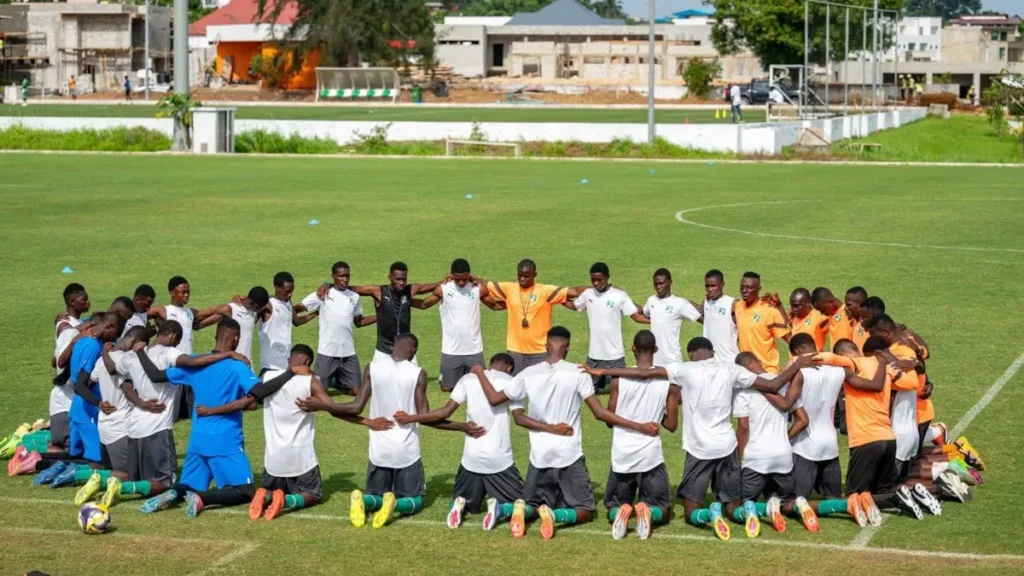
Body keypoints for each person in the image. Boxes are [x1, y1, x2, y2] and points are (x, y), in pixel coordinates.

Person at [583, 337, 813, 542]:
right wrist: (798, 365)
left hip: (699, 449)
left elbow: (645, 373)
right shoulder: (731, 371)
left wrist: (603, 371)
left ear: (691, 354)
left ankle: (709, 514)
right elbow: (773, 385)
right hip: (727, 447)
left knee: (691, 509)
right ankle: (748, 512)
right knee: (733, 506)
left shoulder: (685, 369)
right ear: (713, 352)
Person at [473, 326, 660, 540]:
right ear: (568, 347)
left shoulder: (528, 374)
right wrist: (639, 426)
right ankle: (553, 515)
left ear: (546, 346)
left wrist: (479, 373)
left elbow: (495, 399)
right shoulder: (577, 372)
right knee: (585, 510)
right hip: (569, 456)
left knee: (534, 504)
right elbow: (599, 413)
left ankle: (508, 510)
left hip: (539, 458)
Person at [297, 333, 479, 529]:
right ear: (414, 351)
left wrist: (323, 406)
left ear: (393, 346)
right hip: (406, 450)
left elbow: (355, 407)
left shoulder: (372, 368)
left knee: (374, 494)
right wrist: (461, 426)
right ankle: (394, 504)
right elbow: (427, 417)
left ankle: (365, 502)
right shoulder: (418, 373)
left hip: (379, 447)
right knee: (415, 500)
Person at [134, 318, 291, 517]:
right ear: (235, 339)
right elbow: (260, 391)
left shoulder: (197, 362)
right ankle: (203, 499)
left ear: (215, 336)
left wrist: (140, 351)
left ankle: (173, 493)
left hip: (198, 438)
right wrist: (290, 373)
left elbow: (156, 376)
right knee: (244, 490)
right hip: (225, 439)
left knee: (189, 484)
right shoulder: (237, 367)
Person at [194, 344, 359, 520]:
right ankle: (285, 502)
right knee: (313, 494)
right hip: (301, 460)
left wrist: (212, 411)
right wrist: (365, 421)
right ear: (308, 362)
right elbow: (334, 409)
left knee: (271, 489)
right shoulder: (310, 381)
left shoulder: (268, 377)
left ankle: (266, 496)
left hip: (273, 462)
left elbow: (246, 402)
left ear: (289, 360)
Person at [393, 354, 523, 530]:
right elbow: (519, 418)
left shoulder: (468, 379)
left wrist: (411, 418)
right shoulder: (512, 383)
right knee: (522, 504)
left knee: (465, 501)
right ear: (509, 368)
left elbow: (444, 413)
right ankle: (498, 508)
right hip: (499, 460)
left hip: (470, 460)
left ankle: (458, 504)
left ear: (491, 364)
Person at [815, 337, 930, 525]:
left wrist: (808, 357)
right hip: (888, 438)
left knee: (853, 495)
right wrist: (914, 364)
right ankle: (905, 494)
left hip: (865, 439)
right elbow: (912, 384)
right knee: (878, 493)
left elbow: (831, 358)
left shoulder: (854, 363)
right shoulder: (886, 368)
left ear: (844, 353)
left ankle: (898, 497)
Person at [602, 330, 678, 540]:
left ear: (633, 349)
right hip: (650, 457)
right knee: (662, 507)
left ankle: (621, 512)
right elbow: (672, 425)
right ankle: (647, 511)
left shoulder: (619, 378)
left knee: (613, 504)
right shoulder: (668, 380)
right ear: (655, 350)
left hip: (622, 455)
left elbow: (609, 418)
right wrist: (658, 416)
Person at [733, 352, 818, 533]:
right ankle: (798, 504)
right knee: (787, 499)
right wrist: (784, 439)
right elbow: (803, 420)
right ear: (760, 361)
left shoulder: (743, 390)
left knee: (744, 502)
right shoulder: (783, 383)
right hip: (783, 456)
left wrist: (738, 457)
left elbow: (743, 427)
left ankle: (760, 509)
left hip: (755, 458)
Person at [70, 327, 150, 507]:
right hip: (121, 426)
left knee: (110, 468)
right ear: (137, 341)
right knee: (129, 474)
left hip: (104, 424)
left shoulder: (100, 361)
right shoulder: (128, 359)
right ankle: (100, 482)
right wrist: (143, 404)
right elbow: (126, 389)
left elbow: (87, 385)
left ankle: (83, 475)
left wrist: (99, 403)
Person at [318, 262, 439, 365]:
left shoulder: (410, 289)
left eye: (404, 279)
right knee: (378, 384)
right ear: (389, 276)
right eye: (397, 279)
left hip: (405, 348)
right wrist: (328, 284)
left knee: (413, 383)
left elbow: (433, 286)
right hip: (383, 349)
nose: (401, 283)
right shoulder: (378, 291)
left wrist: (446, 281)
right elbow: (349, 287)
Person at [416, 258, 503, 392]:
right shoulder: (443, 289)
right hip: (451, 349)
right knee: (446, 388)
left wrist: (515, 303)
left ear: (470, 275)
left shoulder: (477, 288)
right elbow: (424, 305)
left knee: (481, 386)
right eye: (457, 279)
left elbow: (495, 305)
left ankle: (465, 374)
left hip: (474, 349)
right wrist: (403, 300)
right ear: (451, 275)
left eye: (464, 278)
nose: (461, 282)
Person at [485, 259, 584, 375]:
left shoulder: (545, 291)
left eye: (526, 277)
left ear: (534, 275)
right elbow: (484, 286)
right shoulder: (510, 289)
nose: (522, 279)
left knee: (541, 388)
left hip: (540, 351)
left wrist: (602, 289)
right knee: (514, 389)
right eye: (520, 276)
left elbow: (575, 291)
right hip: (515, 350)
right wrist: (472, 280)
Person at [784, 334, 847, 510]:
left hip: (805, 447)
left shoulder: (800, 373)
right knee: (834, 498)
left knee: (795, 501)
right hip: (830, 445)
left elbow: (788, 403)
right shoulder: (838, 370)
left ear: (796, 352)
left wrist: (784, 438)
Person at [565, 262, 648, 392]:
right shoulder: (588, 294)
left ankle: (606, 380)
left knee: (621, 389)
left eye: (599, 280)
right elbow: (575, 306)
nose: (596, 283)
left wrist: (655, 321)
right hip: (594, 354)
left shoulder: (619, 295)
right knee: (586, 389)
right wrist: (559, 299)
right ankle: (602, 381)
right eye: (593, 280)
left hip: (614, 354)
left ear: (607, 277)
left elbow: (635, 316)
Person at [303, 262, 376, 394]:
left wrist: (380, 316)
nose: (345, 279)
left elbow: (359, 322)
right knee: (319, 392)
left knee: (357, 391)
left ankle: (337, 382)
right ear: (333, 276)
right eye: (341, 276)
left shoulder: (354, 297)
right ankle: (328, 379)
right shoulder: (323, 293)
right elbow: (300, 308)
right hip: (327, 351)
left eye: (347, 276)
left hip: (348, 352)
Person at [50, 284, 91, 452]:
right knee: (68, 447)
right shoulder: (66, 326)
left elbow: (54, 360)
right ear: (72, 302)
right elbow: (59, 361)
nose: (89, 302)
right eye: (84, 299)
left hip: (70, 395)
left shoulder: (76, 323)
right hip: (66, 398)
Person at [259, 272, 318, 374]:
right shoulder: (268, 304)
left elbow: (297, 321)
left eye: (292, 291)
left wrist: (317, 312)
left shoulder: (287, 303)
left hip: (286, 359)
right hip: (270, 362)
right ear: (277, 287)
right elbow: (250, 308)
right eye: (287, 291)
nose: (290, 294)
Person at [195, 286, 271, 363]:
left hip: (246, 363)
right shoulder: (230, 309)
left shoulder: (254, 312)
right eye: (259, 308)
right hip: (229, 362)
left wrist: (241, 296)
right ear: (252, 302)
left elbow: (272, 299)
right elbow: (198, 325)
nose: (260, 310)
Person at [642, 268, 701, 367]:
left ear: (670, 282)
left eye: (662, 283)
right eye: (656, 284)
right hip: (654, 359)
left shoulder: (680, 303)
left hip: (672, 360)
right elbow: (645, 313)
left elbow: (701, 318)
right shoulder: (651, 300)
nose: (658, 287)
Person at [735, 272, 791, 374]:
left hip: (767, 370)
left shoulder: (769, 310)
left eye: (749, 288)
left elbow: (789, 339)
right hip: (745, 370)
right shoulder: (738, 306)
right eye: (742, 287)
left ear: (758, 289)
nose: (744, 291)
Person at [700, 269, 739, 363]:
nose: (710, 289)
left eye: (713, 286)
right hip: (710, 361)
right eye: (707, 286)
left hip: (729, 360)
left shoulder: (732, 304)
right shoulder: (706, 302)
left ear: (722, 284)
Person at [845, 287, 869, 351]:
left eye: (849, 305)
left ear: (860, 304)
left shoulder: (869, 327)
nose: (845, 308)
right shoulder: (853, 322)